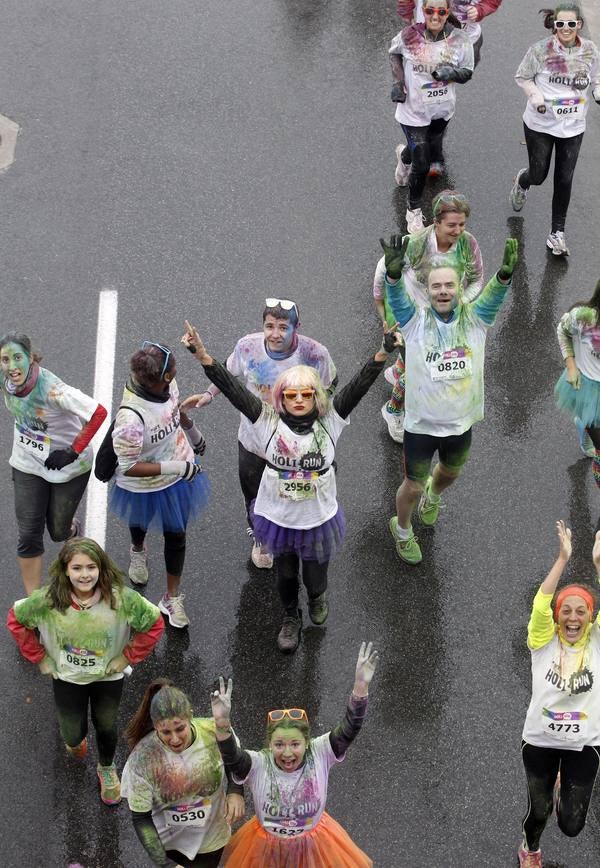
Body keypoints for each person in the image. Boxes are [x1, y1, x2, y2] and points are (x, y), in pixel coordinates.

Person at [182, 321, 394, 653]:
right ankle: (291, 618)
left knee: (314, 577)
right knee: (284, 576)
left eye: (305, 395)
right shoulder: (266, 421)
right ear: (281, 397)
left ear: (316, 397)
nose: (298, 400)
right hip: (278, 518)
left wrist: (383, 351)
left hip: (317, 518)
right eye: (291, 395)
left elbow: (358, 385)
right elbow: (233, 389)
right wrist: (203, 355)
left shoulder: (330, 421)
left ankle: (317, 597)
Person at [381, 234, 517, 564]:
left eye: (449, 286)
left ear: (458, 289)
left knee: (450, 474)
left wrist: (503, 277)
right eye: (436, 286)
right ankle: (401, 529)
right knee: (411, 486)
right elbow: (397, 299)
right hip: (421, 425)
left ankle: (434, 496)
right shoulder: (415, 322)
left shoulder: (476, 319)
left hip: (460, 423)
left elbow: (492, 298)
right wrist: (394, 276)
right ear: (428, 291)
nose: (443, 291)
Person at [7, 537, 163, 805]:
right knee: (71, 733)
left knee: (106, 725)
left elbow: (154, 623)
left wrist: (127, 657)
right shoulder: (48, 600)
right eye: (77, 568)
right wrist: (40, 657)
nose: (85, 575)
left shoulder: (121, 598)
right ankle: (76, 740)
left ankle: (106, 767)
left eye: (91, 567)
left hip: (108, 679)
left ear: (101, 568)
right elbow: (16, 619)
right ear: (65, 570)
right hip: (67, 678)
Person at [182, 300, 336, 570]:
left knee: (295, 490)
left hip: (295, 446)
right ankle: (262, 538)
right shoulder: (247, 347)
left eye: (282, 327)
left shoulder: (315, 354)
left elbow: (328, 391)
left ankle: (295, 530)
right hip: (254, 441)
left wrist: (321, 433)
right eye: (269, 326)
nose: (275, 333)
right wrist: (208, 395)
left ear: (296, 328)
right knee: (253, 493)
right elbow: (228, 374)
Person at [210, 641, 379, 867]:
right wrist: (222, 723)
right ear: (270, 744)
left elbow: (350, 728)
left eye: (295, 744)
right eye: (279, 744)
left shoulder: (320, 752)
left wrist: (360, 688)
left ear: (306, 742)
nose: (287, 753)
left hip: (316, 849)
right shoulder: (259, 764)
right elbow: (232, 757)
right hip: (265, 850)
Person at [109, 341, 210, 629]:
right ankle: (137, 550)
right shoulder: (130, 419)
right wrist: (178, 466)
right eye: (173, 370)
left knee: (177, 536)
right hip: (144, 484)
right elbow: (128, 465)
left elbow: (174, 411)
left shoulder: (168, 384)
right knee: (140, 522)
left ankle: (171, 597)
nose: (176, 373)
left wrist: (192, 432)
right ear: (161, 378)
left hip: (178, 476)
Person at [518, 521, 600, 868]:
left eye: (581, 611)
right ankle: (530, 848)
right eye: (566, 610)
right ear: (557, 617)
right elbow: (541, 604)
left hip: (585, 745)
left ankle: (564, 780)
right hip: (539, 743)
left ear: (591, 617)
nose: (572, 617)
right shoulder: (542, 641)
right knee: (539, 811)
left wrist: (598, 566)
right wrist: (563, 559)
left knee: (571, 824)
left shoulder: (596, 642)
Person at [373, 190, 484, 442]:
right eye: (451, 225)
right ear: (436, 222)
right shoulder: (416, 244)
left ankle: (399, 369)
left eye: (462, 225)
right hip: (409, 317)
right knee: (418, 372)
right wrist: (381, 307)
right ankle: (393, 410)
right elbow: (385, 269)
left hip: (444, 319)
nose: (458, 231)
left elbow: (477, 279)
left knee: (420, 362)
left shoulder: (469, 244)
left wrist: (460, 304)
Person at [0, 333, 107, 594]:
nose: (12, 366)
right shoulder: (6, 381)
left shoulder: (53, 390)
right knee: (28, 534)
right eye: (5, 360)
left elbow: (98, 412)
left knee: (58, 532)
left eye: (17, 358)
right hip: (27, 462)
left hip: (68, 467)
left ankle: (71, 529)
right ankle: (35, 602)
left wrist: (72, 451)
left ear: (31, 358)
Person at [121, 679, 245, 868]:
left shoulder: (214, 731)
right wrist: (167, 864)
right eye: (166, 732)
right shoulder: (142, 759)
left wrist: (236, 790)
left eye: (180, 728)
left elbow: (234, 762)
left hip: (211, 838)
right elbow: (141, 819)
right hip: (169, 845)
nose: (175, 739)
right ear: (155, 727)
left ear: (190, 717)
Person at [510, 3, 600, 256]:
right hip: (540, 123)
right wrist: (536, 97)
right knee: (539, 174)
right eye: (561, 24)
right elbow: (522, 77)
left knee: (565, 178)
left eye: (571, 24)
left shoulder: (591, 50)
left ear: (579, 25)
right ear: (554, 25)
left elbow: (597, 76)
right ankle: (522, 181)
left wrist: (596, 90)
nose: (566, 29)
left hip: (573, 125)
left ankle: (557, 233)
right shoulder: (540, 50)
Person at [389, 0, 474, 232]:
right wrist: (398, 83)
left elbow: (467, 72)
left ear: (447, 13)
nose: (435, 16)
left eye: (440, 11)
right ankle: (413, 210)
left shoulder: (459, 39)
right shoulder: (409, 35)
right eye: (429, 11)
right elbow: (394, 55)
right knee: (423, 162)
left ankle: (404, 157)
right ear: (422, 12)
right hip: (412, 111)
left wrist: (452, 73)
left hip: (441, 110)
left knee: (423, 147)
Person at [397, 0, 504, 67]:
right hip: (428, 43)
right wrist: (405, 5)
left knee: (458, 76)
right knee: (428, 79)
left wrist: (480, 10)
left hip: (466, 42)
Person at [555, 281, 600, 478]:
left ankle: (583, 422)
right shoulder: (584, 318)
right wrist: (571, 366)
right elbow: (562, 331)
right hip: (588, 388)